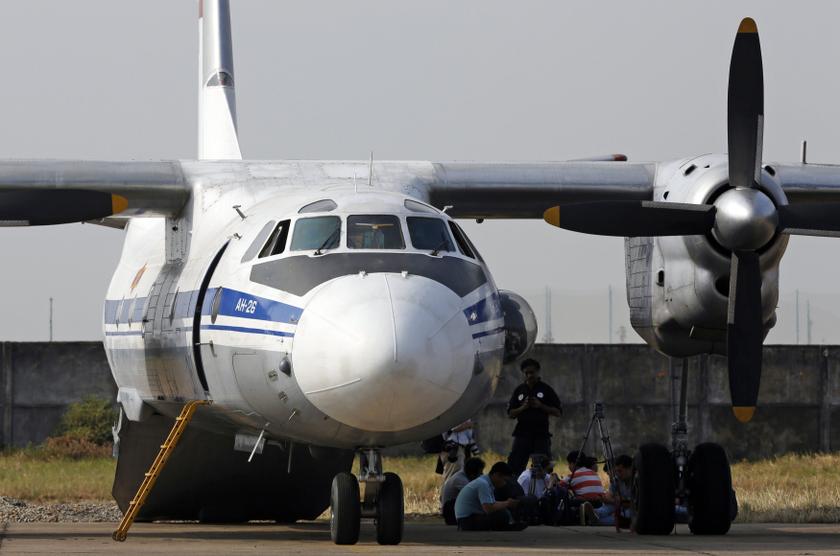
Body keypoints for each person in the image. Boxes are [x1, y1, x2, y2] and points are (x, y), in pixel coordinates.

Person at [506, 359, 562, 476]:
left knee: (544, 468)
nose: (529, 375)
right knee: (514, 467)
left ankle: (545, 487)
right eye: (526, 373)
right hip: (522, 434)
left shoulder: (546, 389)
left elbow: (558, 412)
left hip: (541, 435)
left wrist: (541, 405)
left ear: (537, 371)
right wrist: (523, 407)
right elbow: (510, 414)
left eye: (532, 372)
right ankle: (517, 486)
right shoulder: (519, 390)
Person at [454, 461, 528, 531]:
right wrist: (507, 503)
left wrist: (508, 503)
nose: (505, 483)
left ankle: (509, 526)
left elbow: (492, 503)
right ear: (497, 475)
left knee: (502, 512)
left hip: (467, 519)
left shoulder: (486, 483)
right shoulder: (483, 484)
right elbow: (488, 508)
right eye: (504, 480)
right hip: (466, 521)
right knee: (501, 515)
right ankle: (507, 527)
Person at [559, 450, 606, 525]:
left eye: (569, 464)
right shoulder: (594, 473)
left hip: (584, 502)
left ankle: (580, 515)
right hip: (599, 503)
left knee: (566, 501)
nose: (569, 466)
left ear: (573, 464)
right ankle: (591, 516)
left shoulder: (572, 476)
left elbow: (559, 486)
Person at [441, 457, 485, 525]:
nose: (482, 475)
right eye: (480, 473)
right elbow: (476, 496)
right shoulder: (460, 479)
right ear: (472, 474)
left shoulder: (465, 475)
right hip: (452, 514)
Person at [594, 454, 633, 526]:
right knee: (609, 507)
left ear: (630, 469)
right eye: (616, 471)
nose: (617, 474)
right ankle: (596, 513)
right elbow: (609, 496)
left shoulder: (638, 481)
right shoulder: (617, 480)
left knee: (626, 515)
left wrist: (614, 501)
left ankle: (596, 520)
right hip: (619, 505)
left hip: (633, 509)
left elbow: (634, 504)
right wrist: (608, 499)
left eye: (620, 471)